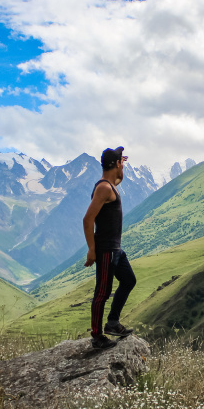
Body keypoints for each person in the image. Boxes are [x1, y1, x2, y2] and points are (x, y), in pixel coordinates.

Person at [83, 146, 136, 349]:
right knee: (102, 293)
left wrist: (120, 164)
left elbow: (118, 178)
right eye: (120, 163)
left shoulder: (111, 185)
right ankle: (97, 336)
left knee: (129, 280)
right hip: (105, 249)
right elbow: (88, 219)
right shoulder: (104, 188)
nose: (123, 168)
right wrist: (91, 249)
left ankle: (113, 323)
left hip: (116, 250)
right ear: (115, 165)